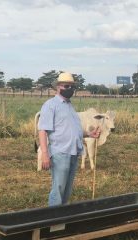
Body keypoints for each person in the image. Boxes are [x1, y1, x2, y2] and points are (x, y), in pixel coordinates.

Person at [38, 72, 100, 206]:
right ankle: (54, 223)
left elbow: (71, 129)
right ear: (58, 87)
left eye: (72, 87)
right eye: (67, 86)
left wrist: (89, 135)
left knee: (67, 190)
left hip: (73, 152)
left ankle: (62, 221)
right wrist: (45, 154)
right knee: (58, 189)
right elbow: (43, 130)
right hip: (60, 153)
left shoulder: (70, 106)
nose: (70, 89)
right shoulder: (50, 105)